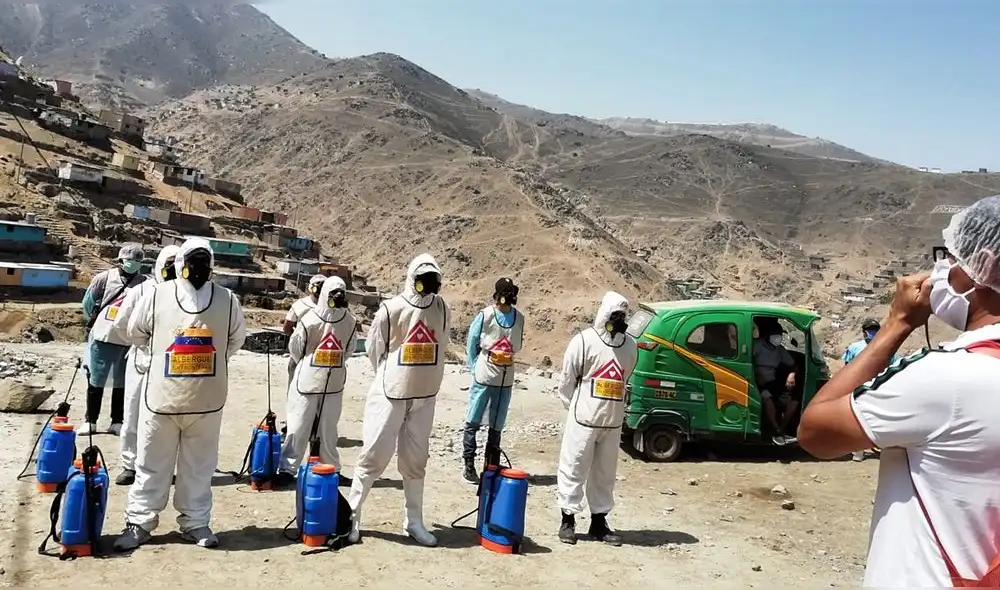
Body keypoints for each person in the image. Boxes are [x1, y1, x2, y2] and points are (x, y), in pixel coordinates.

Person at [798, 195, 1000, 587]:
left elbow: (815, 433)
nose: (942, 269)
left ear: (984, 267)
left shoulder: (950, 378)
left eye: (951, 257)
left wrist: (897, 323)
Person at [114, 237, 246, 551]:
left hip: (206, 401)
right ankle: (140, 522)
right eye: (193, 260)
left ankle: (195, 523)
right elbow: (133, 331)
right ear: (180, 263)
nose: (198, 268)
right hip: (161, 398)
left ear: (212, 265)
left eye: (204, 261)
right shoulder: (157, 296)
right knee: (151, 464)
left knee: (199, 466)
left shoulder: (228, 300)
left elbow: (235, 339)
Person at [347, 253, 450, 547]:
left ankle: (414, 521)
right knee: (374, 454)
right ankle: (352, 517)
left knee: (416, 460)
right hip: (390, 393)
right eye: (423, 279)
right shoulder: (391, 310)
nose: (428, 286)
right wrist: (392, 375)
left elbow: (440, 343)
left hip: (424, 395)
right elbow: (374, 350)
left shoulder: (442, 308)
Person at [556, 291, 637, 547]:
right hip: (582, 421)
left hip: (611, 424)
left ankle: (599, 522)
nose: (619, 320)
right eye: (615, 315)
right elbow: (567, 382)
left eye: (623, 316)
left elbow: (624, 378)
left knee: (605, 474)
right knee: (574, 467)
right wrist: (577, 412)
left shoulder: (630, 346)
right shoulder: (583, 342)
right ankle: (567, 520)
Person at [275, 276, 358, 488]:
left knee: (329, 430)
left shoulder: (349, 322)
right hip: (306, 383)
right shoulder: (310, 319)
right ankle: (287, 468)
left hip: (333, 385)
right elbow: (296, 349)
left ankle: (330, 468)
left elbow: (348, 350)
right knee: (298, 425)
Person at [110, 245, 180, 486]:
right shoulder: (142, 290)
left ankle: (163, 466)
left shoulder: (184, 292)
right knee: (133, 412)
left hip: (171, 364)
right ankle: (130, 465)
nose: (171, 267)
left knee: (167, 417)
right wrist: (144, 343)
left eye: (176, 262)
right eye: (168, 262)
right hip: (142, 360)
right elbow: (122, 323)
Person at [461, 278, 525, 483]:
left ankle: (491, 466)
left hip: (505, 376)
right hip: (486, 372)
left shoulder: (519, 318)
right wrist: (473, 365)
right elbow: (472, 340)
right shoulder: (486, 315)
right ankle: (469, 464)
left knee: (497, 423)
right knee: (474, 419)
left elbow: (517, 343)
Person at [81, 244, 147, 435]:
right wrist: (94, 323)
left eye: (137, 262)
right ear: (120, 260)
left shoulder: (144, 283)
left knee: (122, 382)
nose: (132, 265)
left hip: (127, 340)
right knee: (96, 379)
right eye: (129, 261)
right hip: (102, 336)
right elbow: (88, 303)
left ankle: (117, 421)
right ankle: (90, 421)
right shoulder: (104, 278)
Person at [842, 318, 895, 462]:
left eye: (875, 330)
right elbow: (847, 368)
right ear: (864, 332)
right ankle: (858, 451)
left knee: (880, 420)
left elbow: (894, 367)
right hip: (858, 388)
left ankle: (883, 449)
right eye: (870, 330)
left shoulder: (887, 346)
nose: (872, 333)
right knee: (858, 420)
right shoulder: (854, 348)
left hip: (879, 389)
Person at [752, 319, 798, 445]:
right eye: (775, 334)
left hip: (774, 381)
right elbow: (747, 361)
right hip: (757, 382)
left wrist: (791, 375)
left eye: (779, 334)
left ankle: (781, 429)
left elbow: (793, 365)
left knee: (793, 402)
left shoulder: (779, 349)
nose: (777, 338)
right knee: (768, 400)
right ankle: (775, 429)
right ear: (767, 335)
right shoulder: (757, 345)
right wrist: (756, 373)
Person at [284, 274, 327, 386]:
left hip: (321, 354)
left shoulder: (330, 309)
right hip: (301, 353)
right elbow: (287, 327)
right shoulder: (300, 305)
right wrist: (298, 341)